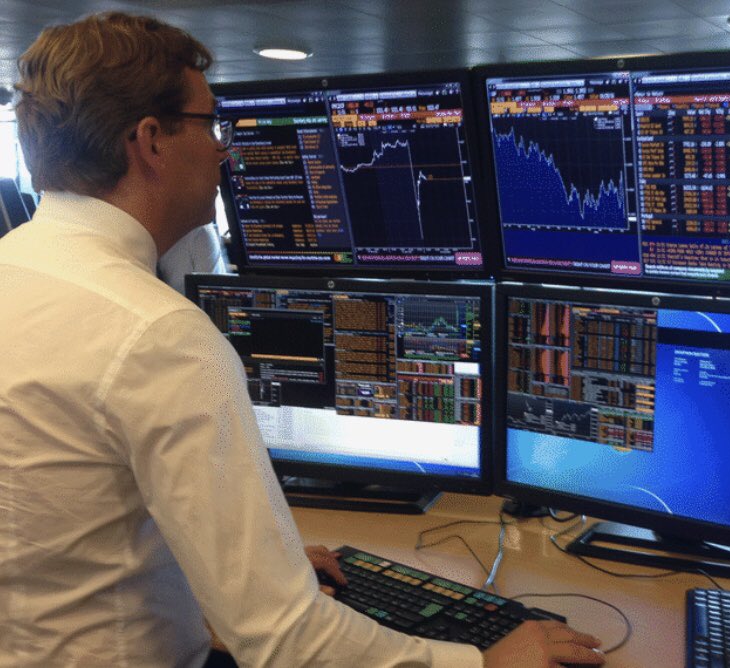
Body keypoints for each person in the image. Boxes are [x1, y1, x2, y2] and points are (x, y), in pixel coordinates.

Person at [0, 12, 605, 668]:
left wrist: (263, 568)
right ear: (151, 141)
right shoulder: (158, 334)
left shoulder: (16, 270)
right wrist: (484, 663)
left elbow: (71, 527)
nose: (225, 150)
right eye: (211, 124)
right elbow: (287, 642)